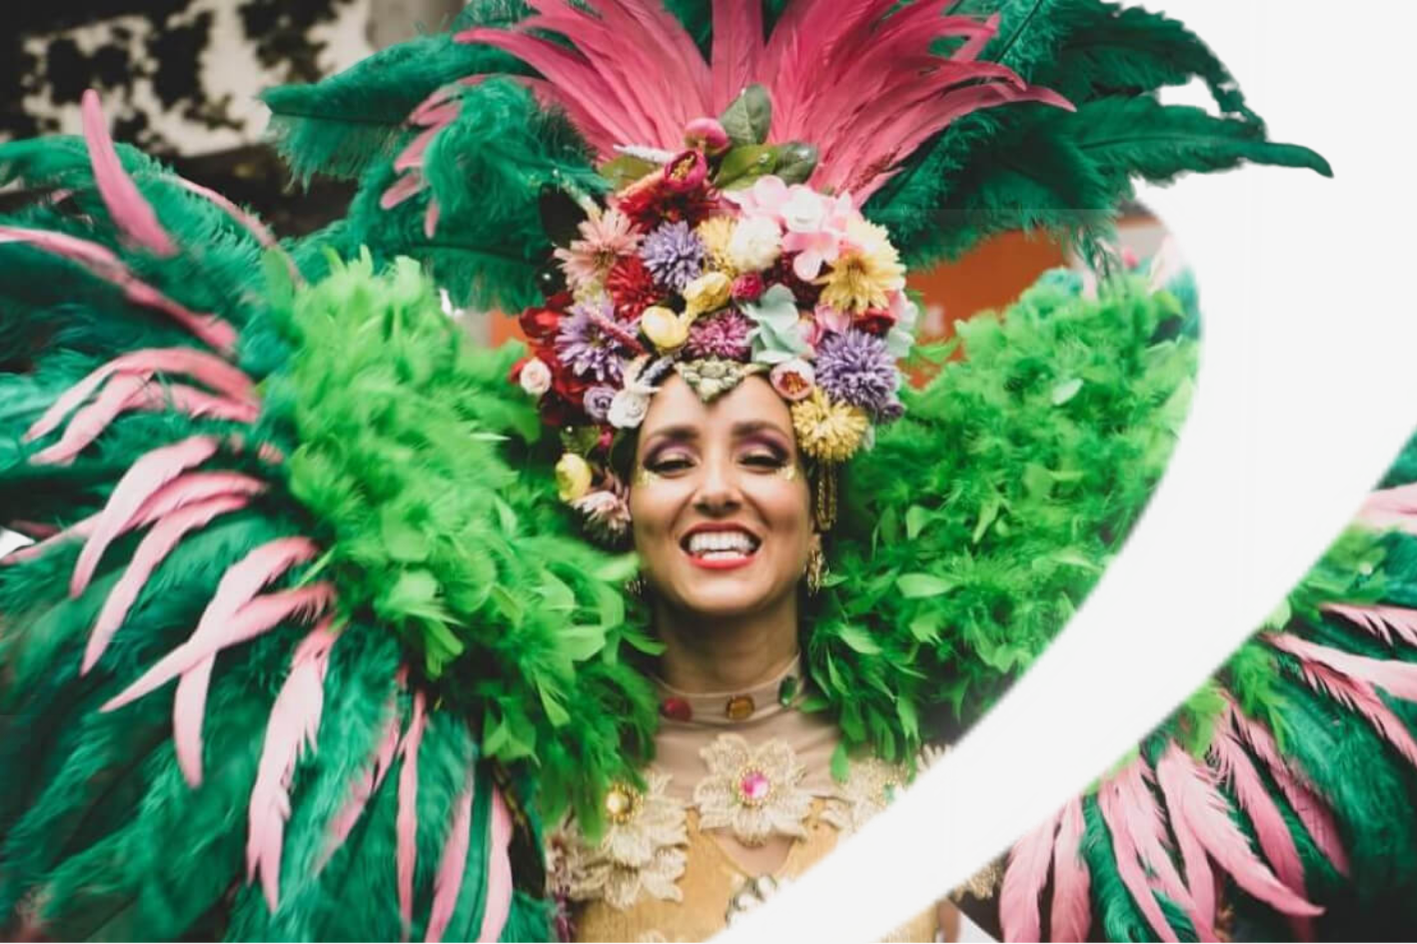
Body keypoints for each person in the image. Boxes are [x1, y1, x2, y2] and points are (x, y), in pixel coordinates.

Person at [11, 2, 1416, 943]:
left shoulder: (953, 767)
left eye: (763, 451)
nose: (721, 491)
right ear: (614, 495)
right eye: (671, 454)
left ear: (821, 496)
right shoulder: (531, 790)